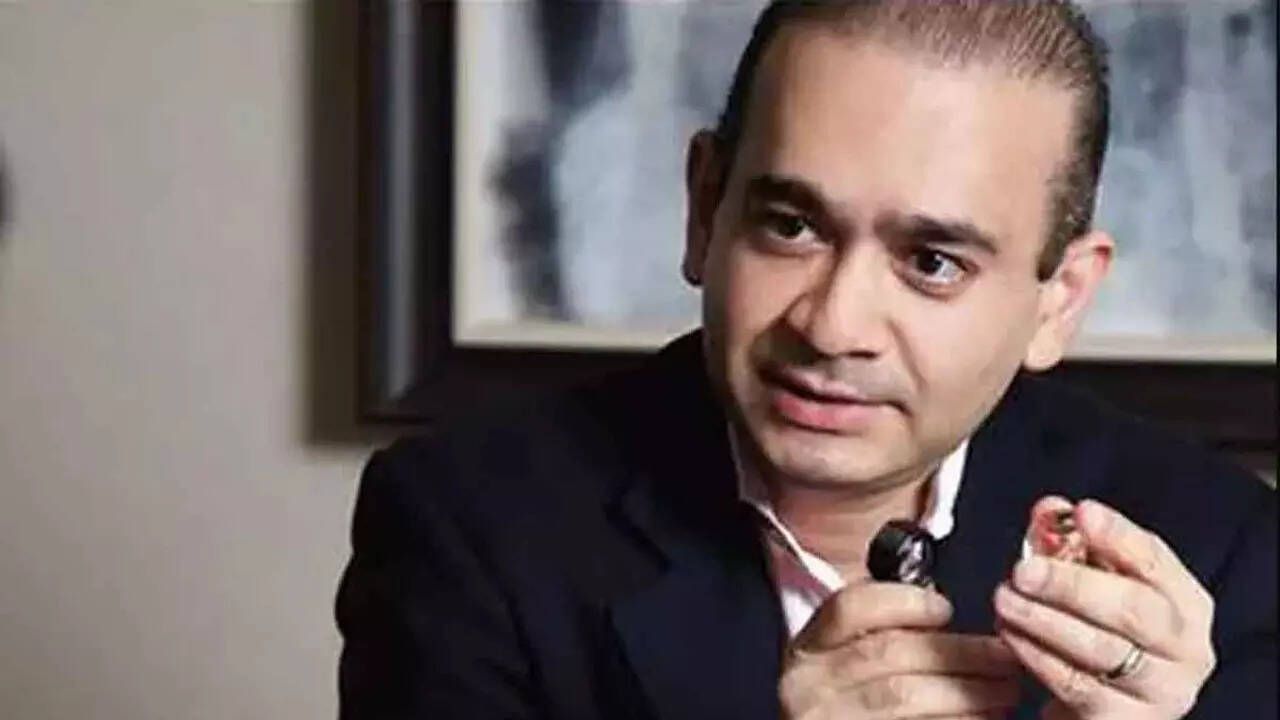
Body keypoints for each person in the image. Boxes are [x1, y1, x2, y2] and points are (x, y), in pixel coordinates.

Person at [335, 2, 1276, 718]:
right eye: (790, 225)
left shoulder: (1219, 551)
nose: (832, 325)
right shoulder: (468, 525)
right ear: (705, 209)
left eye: (932, 262)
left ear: (1058, 299)